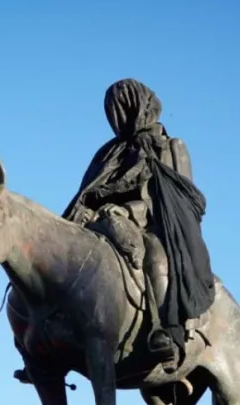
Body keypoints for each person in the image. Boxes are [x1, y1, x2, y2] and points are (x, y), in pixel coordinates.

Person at [62, 79, 216, 366]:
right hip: (103, 221)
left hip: (151, 224)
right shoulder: (108, 154)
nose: (115, 117)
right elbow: (87, 193)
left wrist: (130, 211)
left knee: (155, 257)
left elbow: (181, 199)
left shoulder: (170, 146)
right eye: (111, 111)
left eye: (119, 108)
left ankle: (166, 331)